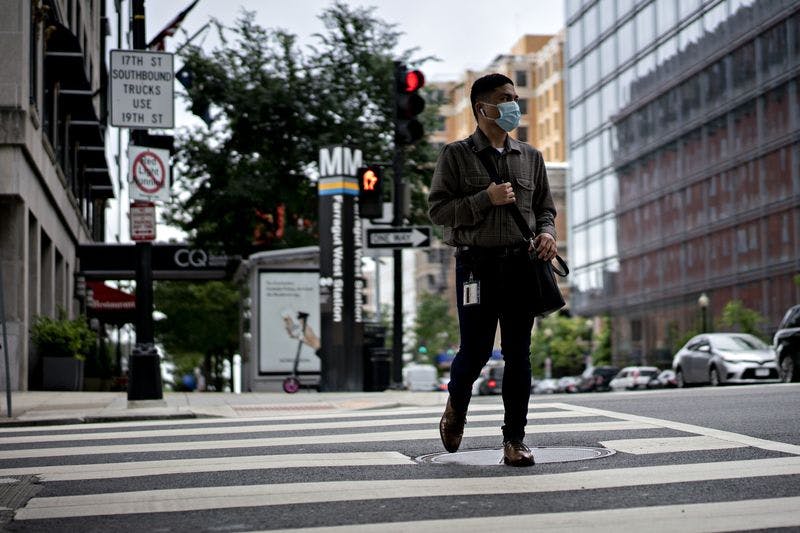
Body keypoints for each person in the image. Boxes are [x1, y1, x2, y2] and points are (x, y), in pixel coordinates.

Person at [427, 73, 558, 466]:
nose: (513, 105)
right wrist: (485, 199)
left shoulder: (531, 157)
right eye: (505, 98)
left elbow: (545, 209)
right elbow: (438, 211)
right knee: (477, 350)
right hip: (476, 266)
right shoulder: (456, 155)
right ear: (482, 108)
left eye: (515, 98)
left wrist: (548, 234)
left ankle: (514, 441)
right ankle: (456, 407)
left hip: (522, 264)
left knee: (519, 354)